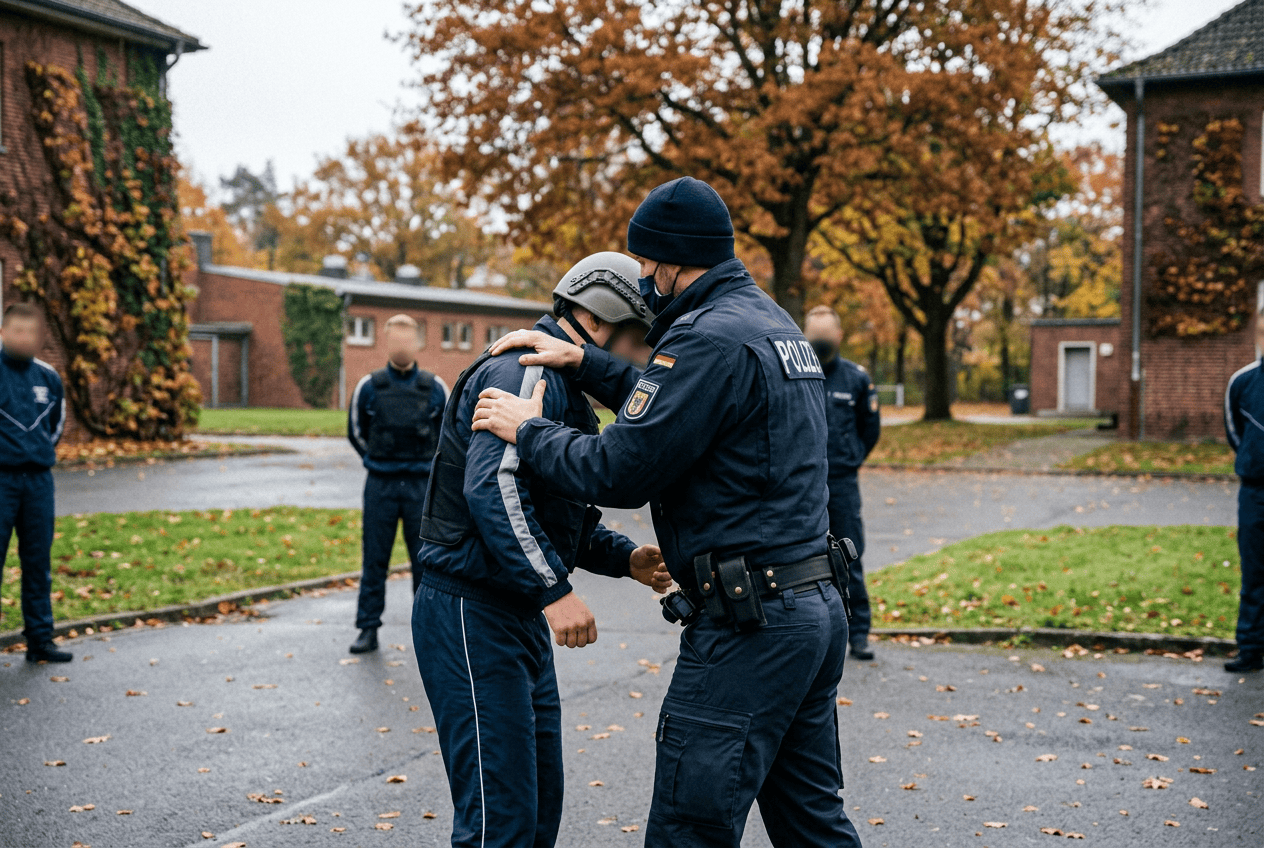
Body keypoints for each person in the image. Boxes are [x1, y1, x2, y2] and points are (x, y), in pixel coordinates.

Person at [475, 177, 863, 848]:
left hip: (750, 627)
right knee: (813, 827)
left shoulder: (705, 337)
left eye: (648, 264)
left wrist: (528, 430)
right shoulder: (772, 325)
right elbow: (690, 408)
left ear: (675, 260)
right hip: (812, 612)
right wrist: (589, 362)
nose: (645, 279)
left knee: (689, 828)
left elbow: (619, 469)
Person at [413, 252, 672, 848]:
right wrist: (553, 591)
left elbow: (552, 511)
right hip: (471, 610)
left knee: (535, 814)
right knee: (497, 823)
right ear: (602, 319)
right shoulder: (526, 373)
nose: (635, 359)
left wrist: (624, 559)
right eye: (637, 340)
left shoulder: (563, 385)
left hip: (511, 611)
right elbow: (493, 488)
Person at [347, 314, 447, 654]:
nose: (402, 346)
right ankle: (368, 628)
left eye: (408, 340)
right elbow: (356, 433)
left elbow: (447, 438)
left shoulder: (435, 387)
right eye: (396, 340)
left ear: (417, 343)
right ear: (387, 343)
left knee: (426, 564)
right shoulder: (369, 386)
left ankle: (429, 633)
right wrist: (379, 463)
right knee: (374, 561)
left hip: (421, 489)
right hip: (381, 486)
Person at [803, 305, 881, 660]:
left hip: (842, 482)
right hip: (803, 485)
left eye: (824, 337)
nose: (819, 344)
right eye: (813, 338)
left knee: (851, 554)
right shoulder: (796, 375)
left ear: (839, 336)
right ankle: (813, 633)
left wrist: (851, 459)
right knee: (803, 558)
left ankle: (859, 632)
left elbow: (870, 429)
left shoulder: (856, 379)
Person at [0, 303, 71, 663]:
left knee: (37, 561)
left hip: (39, 483)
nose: (24, 338)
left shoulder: (48, 378)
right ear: (3, 332)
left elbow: (55, 425)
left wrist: (37, 450)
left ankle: (40, 640)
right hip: (1, 481)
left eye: (31, 333)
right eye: (17, 331)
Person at [1224, 308, 1264, 673]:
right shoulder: (1243, 382)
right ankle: (1251, 647)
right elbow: (1235, 432)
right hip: (1255, 492)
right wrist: (1254, 461)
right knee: (1254, 571)